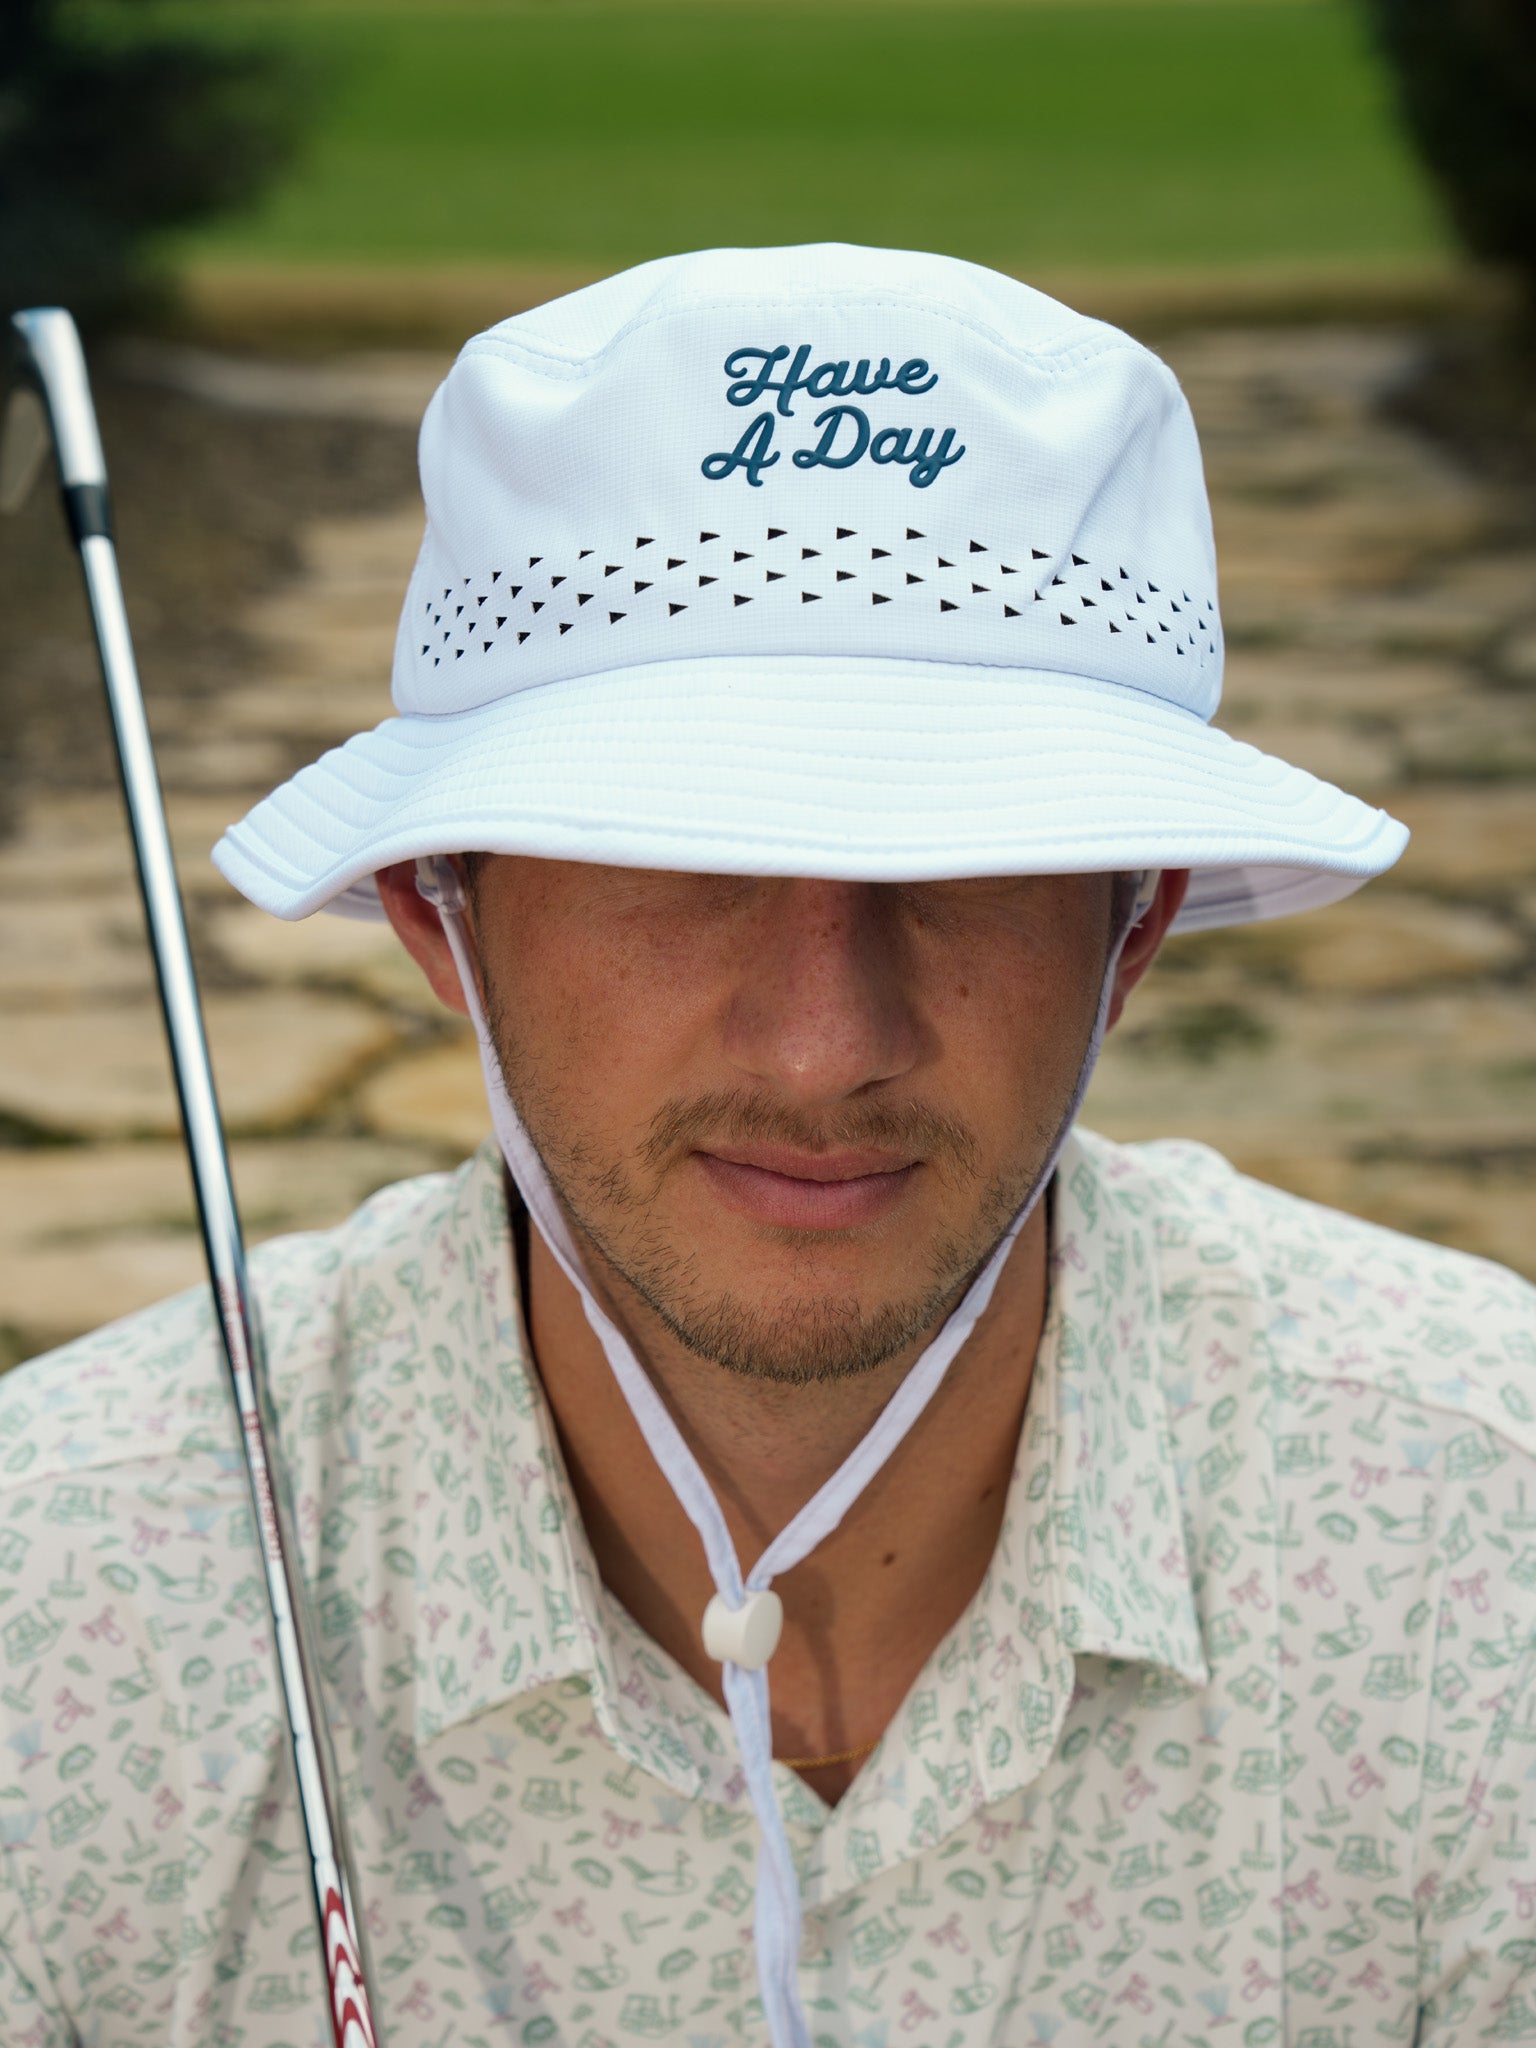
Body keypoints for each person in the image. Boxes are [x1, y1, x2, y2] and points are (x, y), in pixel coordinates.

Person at [1, 243, 1532, 2048]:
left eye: (966, 870)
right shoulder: (57, 1611)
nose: (827, 1045)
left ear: (1132, 927)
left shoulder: (1482, 1553)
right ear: (440, 916)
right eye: (675, 863)